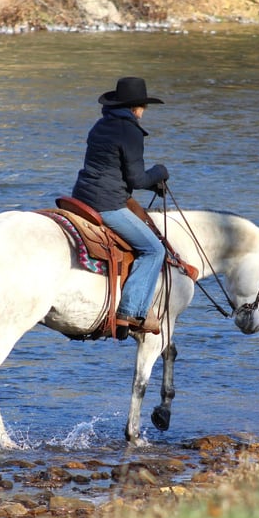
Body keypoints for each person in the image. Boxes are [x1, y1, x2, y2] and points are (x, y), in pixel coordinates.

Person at [71, 77, 169, 335]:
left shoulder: (100, 125)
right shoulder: (131, 131)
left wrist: (152, 184)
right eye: (143, 108)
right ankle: (130, 312)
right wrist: (160, 173)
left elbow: (115, 171)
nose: (143, 113)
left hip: (81, 197)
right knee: (154, 251)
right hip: (107, 204)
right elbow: (136, 179)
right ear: (137, 108)